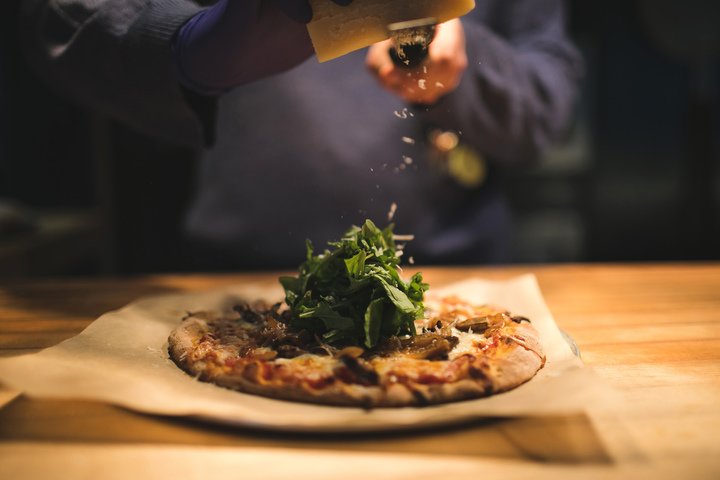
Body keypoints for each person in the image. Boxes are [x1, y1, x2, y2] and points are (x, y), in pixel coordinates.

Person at [19, 0, 582, 270]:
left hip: (457, 285)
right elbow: (55, 20)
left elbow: (548, 110)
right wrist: (181, 46)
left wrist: (468, 61)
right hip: (232, 283)